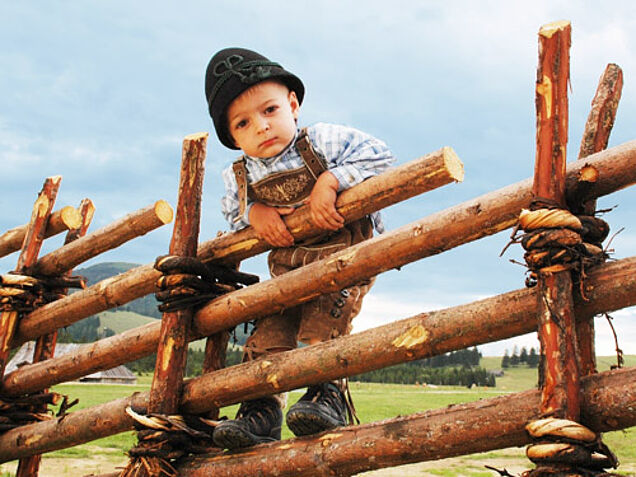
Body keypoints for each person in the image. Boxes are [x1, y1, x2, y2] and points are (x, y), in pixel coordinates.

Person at [204, 47, 395, 450]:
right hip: (287, 268)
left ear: (293, 104)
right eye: (243, 123)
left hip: (344, 257)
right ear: (232, 137)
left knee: (322, 322)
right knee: (267, 331)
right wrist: (254, 212)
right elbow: (232, 213)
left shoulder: (323, 140)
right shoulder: (239, 175)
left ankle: (325, 396)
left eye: (270, 110)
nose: (261, 126)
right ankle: (262, 410)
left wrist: (332, 180)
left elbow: (382, 156)